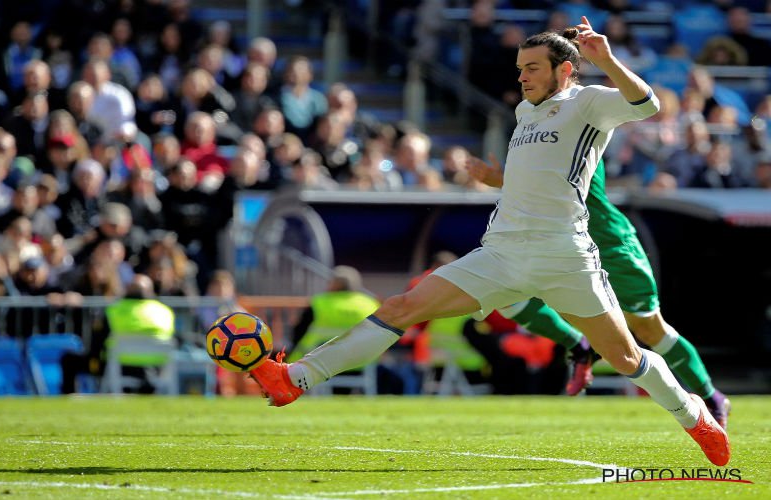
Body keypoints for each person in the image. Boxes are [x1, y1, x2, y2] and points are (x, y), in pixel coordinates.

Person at [248, 18, 730, 466]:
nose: (521, 78)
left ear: (565, 70)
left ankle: (696, 417)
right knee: (400, 307)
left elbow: (648, 105)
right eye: (520, 68)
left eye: (532, 69)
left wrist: (604, 58)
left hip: (565, 254)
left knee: (626, 357)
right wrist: (492, 178)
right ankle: (294, 379)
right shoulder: (524, 111)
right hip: (500, 253)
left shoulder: (589, 101)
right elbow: (536, 181)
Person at [469, 155, 731, 427]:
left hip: (609, 244)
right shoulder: (534, 125)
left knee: (649, 329)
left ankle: (712, 397)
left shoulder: (579, 126)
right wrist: (500, 180)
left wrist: (501, 180)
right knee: (507, 296)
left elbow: (558, 188)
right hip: (561, 246)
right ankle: (579, 346)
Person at [60, 274, 175, 394]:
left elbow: (98, 342)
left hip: (117, 366)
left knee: (69, 360)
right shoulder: (165, 312)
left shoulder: (114, 310)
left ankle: (68, 398)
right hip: (154, 368)